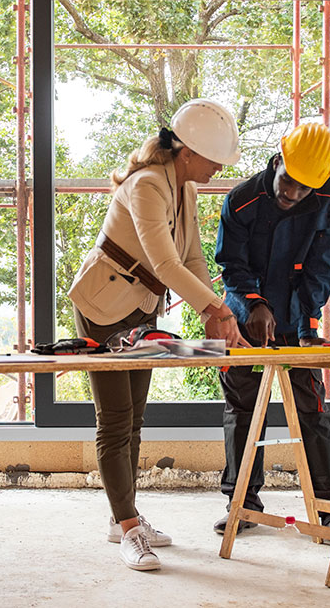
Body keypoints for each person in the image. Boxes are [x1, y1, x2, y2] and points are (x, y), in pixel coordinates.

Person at [69, 99, 247, 571]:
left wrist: (215, 313)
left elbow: (189, 261)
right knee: (115, 418)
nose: (218, 169)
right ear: (187, 151)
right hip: (103, 307)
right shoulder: (147, 185)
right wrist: (218, 309)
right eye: (214, 160)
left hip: (139, 310)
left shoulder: (183, 187)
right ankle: (128, 529)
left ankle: (122, 517)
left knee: (134, 418)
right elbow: (165, 264)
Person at [212, 122, 330, 548]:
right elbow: (232, 267)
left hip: (297, 320)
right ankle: (242, 504)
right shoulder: (241, 201)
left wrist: (308, 324)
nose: (293, 194)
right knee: (243, 411)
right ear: (278, 160)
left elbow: (323, 264)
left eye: (304, 189)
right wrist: (255, 305)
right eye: (288, 183)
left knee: (311, 410)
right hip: (245, 320)